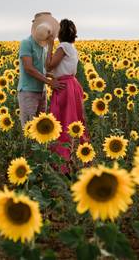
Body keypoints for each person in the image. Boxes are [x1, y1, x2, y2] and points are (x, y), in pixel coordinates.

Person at [45, 19, 89, 172]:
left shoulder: (62, 46)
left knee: (62, 122)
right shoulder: (72, 48)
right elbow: (63, 69)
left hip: (64, 88)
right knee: (75, 121)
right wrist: (50, 76)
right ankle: (77, 158)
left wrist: (50, 45)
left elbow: (49, 65)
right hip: (73, 85)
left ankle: (62, 162)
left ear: (60, 33)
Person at [18, 12, 65, 128]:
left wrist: (52, 76)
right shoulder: (26, 43)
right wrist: (49, 82)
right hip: (28, 91)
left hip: (42, 91)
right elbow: (29, 68)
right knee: (30, 129)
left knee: (42, 128)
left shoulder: (43, 46)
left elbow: (41, 69)